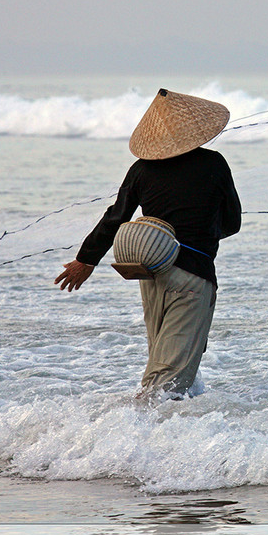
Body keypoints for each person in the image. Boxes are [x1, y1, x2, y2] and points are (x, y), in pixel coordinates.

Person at [54, 88, 242, 400]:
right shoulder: (214, 164)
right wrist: (200, 237)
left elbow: (115, 218)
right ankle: (132, 436)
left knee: (162, 360)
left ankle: (154, 437)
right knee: (168, 377)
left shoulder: (141, 169)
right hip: (193, 276)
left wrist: (85, 261)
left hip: (151, 271)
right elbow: (232, 223)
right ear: (194, 132)